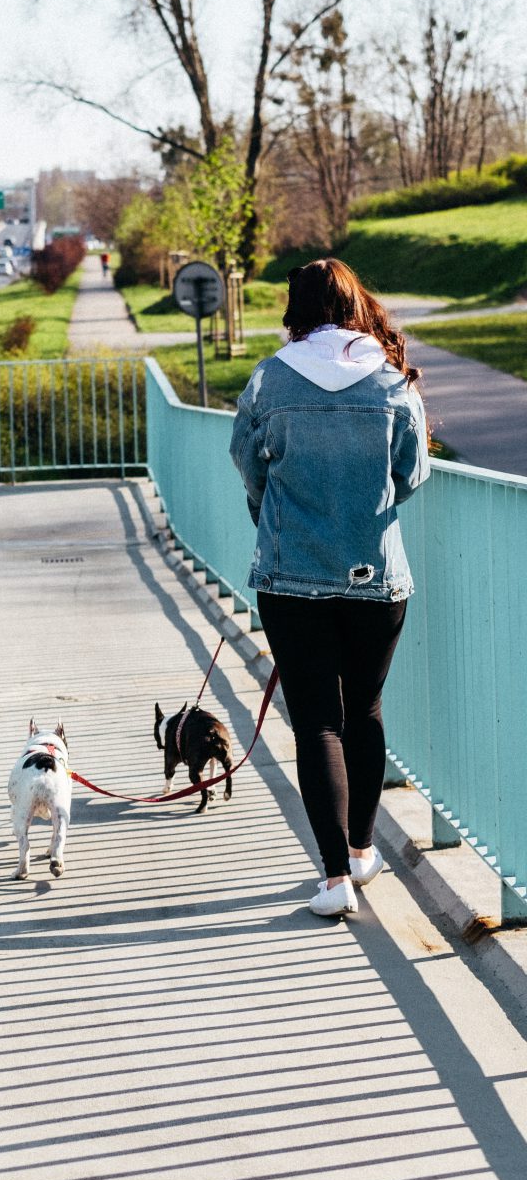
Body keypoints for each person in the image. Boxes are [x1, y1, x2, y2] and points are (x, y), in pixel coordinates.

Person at [229, 258, 430, 918]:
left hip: (291, 576)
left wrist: (272, 509)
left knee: (317, 720)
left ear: (296, 309)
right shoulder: (391, 379)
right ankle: (366, 848)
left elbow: (246, 457)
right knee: (364, 712)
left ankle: (336, 877)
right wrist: (365, 506)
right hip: (377, 575)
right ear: (352, 303)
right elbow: (413, 472)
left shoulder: (270, 379)